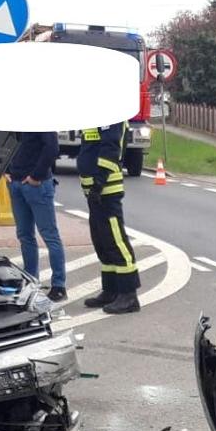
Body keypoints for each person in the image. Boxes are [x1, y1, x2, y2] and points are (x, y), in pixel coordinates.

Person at [78, 121, 139, 313]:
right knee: (101, 241)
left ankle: (129, 295)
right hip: (93, 188)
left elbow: (112, 147)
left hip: (106, 187)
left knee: (115, 240)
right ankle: (111, 290)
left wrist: (99, 181)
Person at [6, 131, 68, 302]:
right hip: (16, 182)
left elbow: (52, 148)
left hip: (36, 184)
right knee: (25, 235)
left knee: (49, 235)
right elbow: (5, 143)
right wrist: (6, 170)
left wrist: (36, 175)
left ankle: (59, 286)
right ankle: (31, 281)